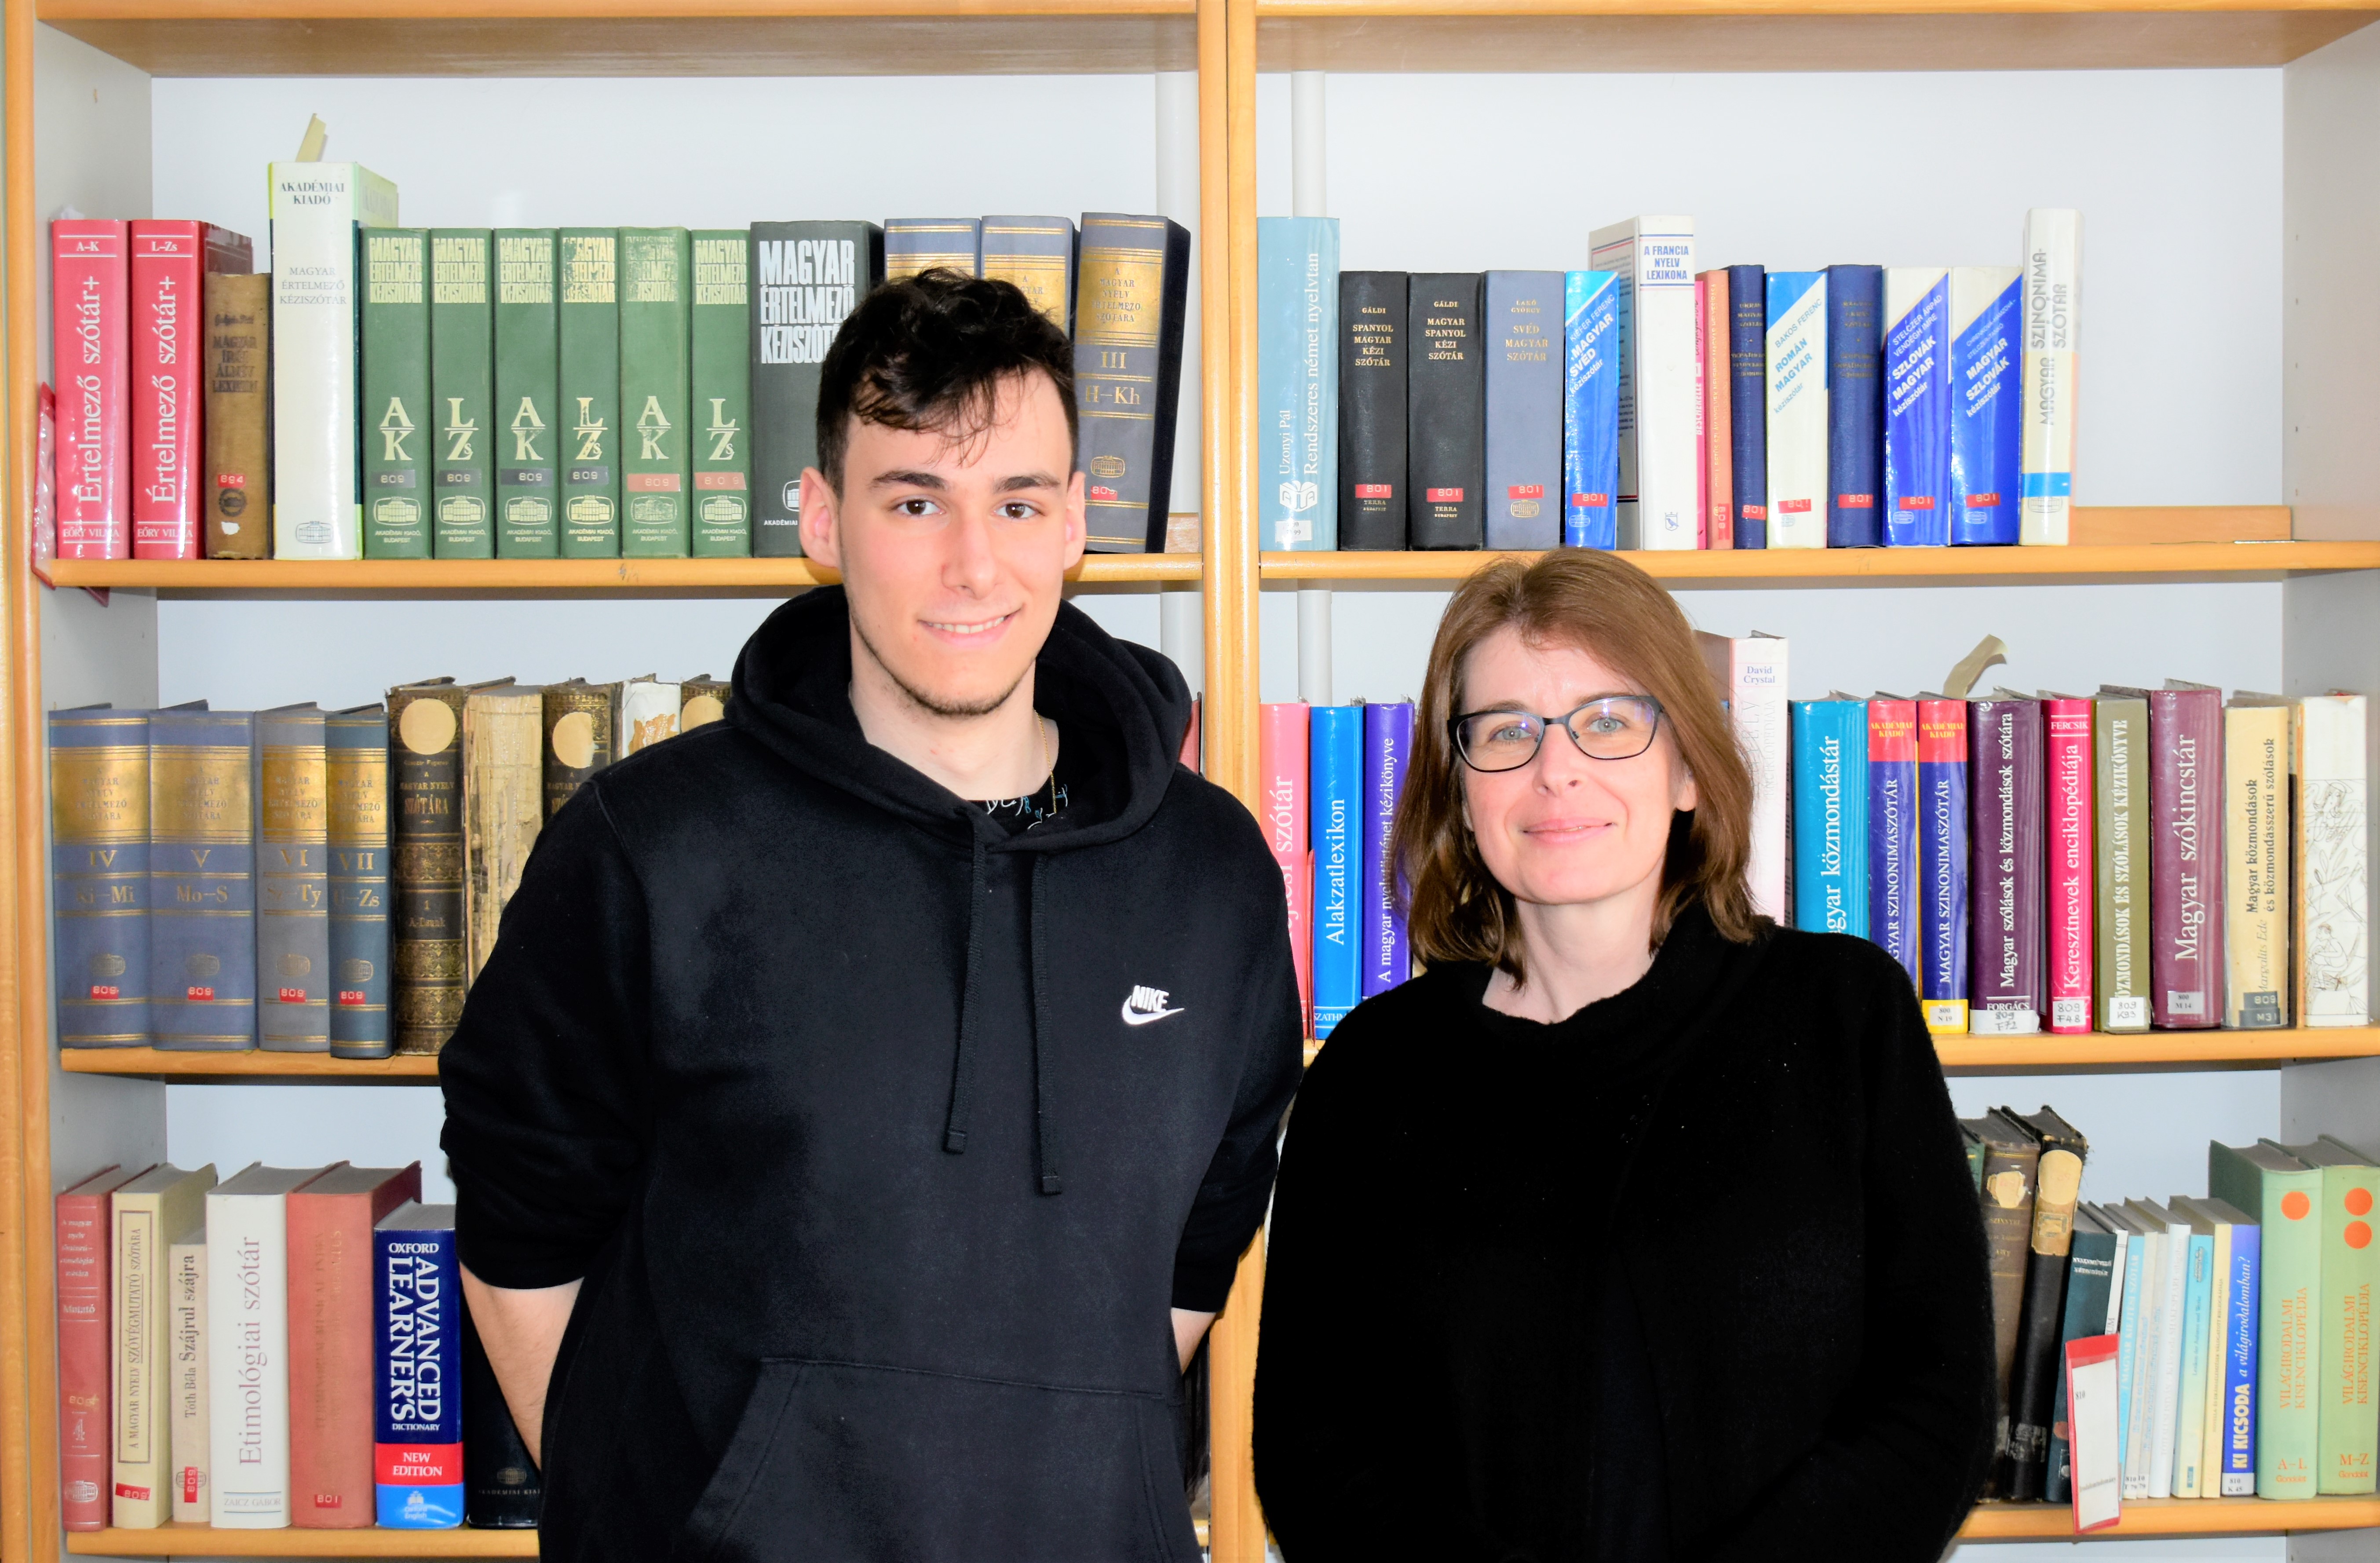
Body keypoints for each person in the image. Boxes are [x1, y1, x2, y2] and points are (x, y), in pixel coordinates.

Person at [439, 270, 1302, 1562]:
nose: (973, 563)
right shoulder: (652, 846)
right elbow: (521, 1232)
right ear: (822, 519)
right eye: (915, 501)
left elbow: (1196, 1250)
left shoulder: (1210, 873)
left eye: (1018, 503)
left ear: (1076, 522)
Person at [1251, 551, 1997, 1562]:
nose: (1556, 768)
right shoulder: (1371, 1073)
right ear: (1460, 791)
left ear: (1688, 768)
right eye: (1506, 731)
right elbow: (1315, 1454)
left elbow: (1938, 1403)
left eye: (1607, 722)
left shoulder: (1843, 1016)